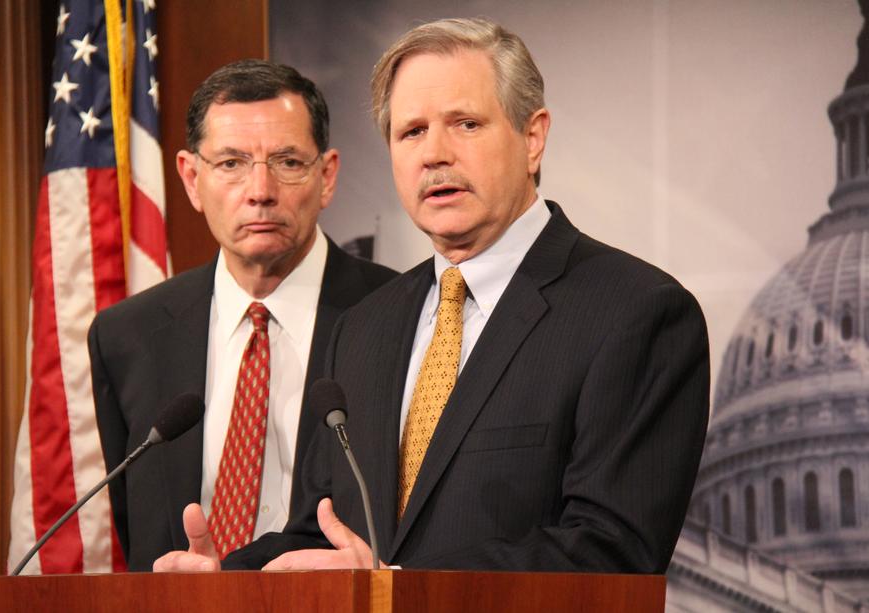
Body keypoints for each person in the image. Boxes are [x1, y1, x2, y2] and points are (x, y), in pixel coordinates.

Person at [153, 17, 709, 574]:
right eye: (411, 131)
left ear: (533, 137)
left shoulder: (636, 313)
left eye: (465, 124)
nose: (434, 154)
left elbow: (611, 553)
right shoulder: (365, 326)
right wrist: (226, 580)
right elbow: (327, 531)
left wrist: (394, 587)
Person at [88, 59, 396, 571]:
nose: (260, 191)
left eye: (288, 161)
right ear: (191, 178)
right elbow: (135, 526)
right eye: (231, 163)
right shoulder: (128, 337)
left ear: (327, 175)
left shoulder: (400, 316)